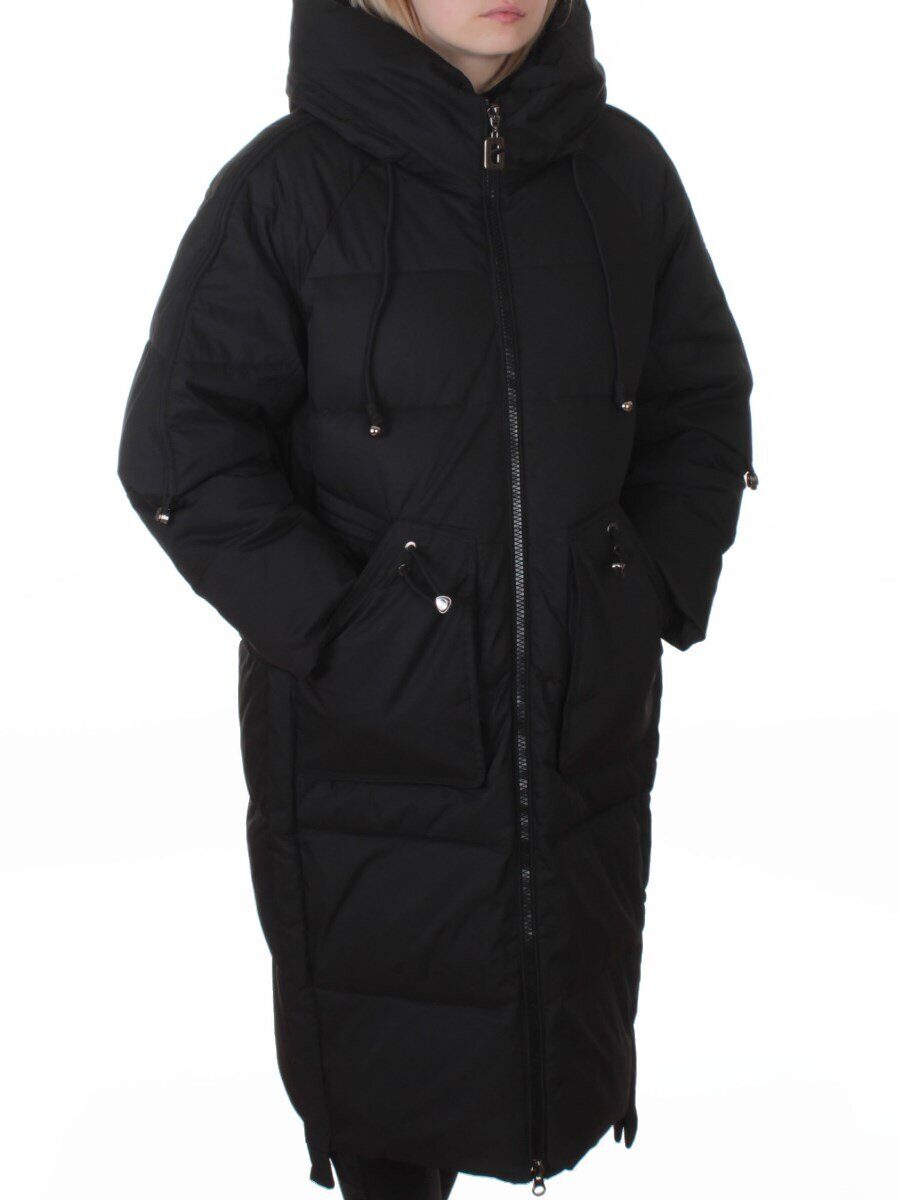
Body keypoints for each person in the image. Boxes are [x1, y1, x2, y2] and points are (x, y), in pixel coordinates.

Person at [117, 0, 755, 1196]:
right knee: (391, 1086)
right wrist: (350, 634)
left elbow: (701, 401)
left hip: (578, 718)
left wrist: (644, 589)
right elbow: (179, 452)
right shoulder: (286, 188)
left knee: (557, 1009)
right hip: (366, 745)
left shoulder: (624, 173)